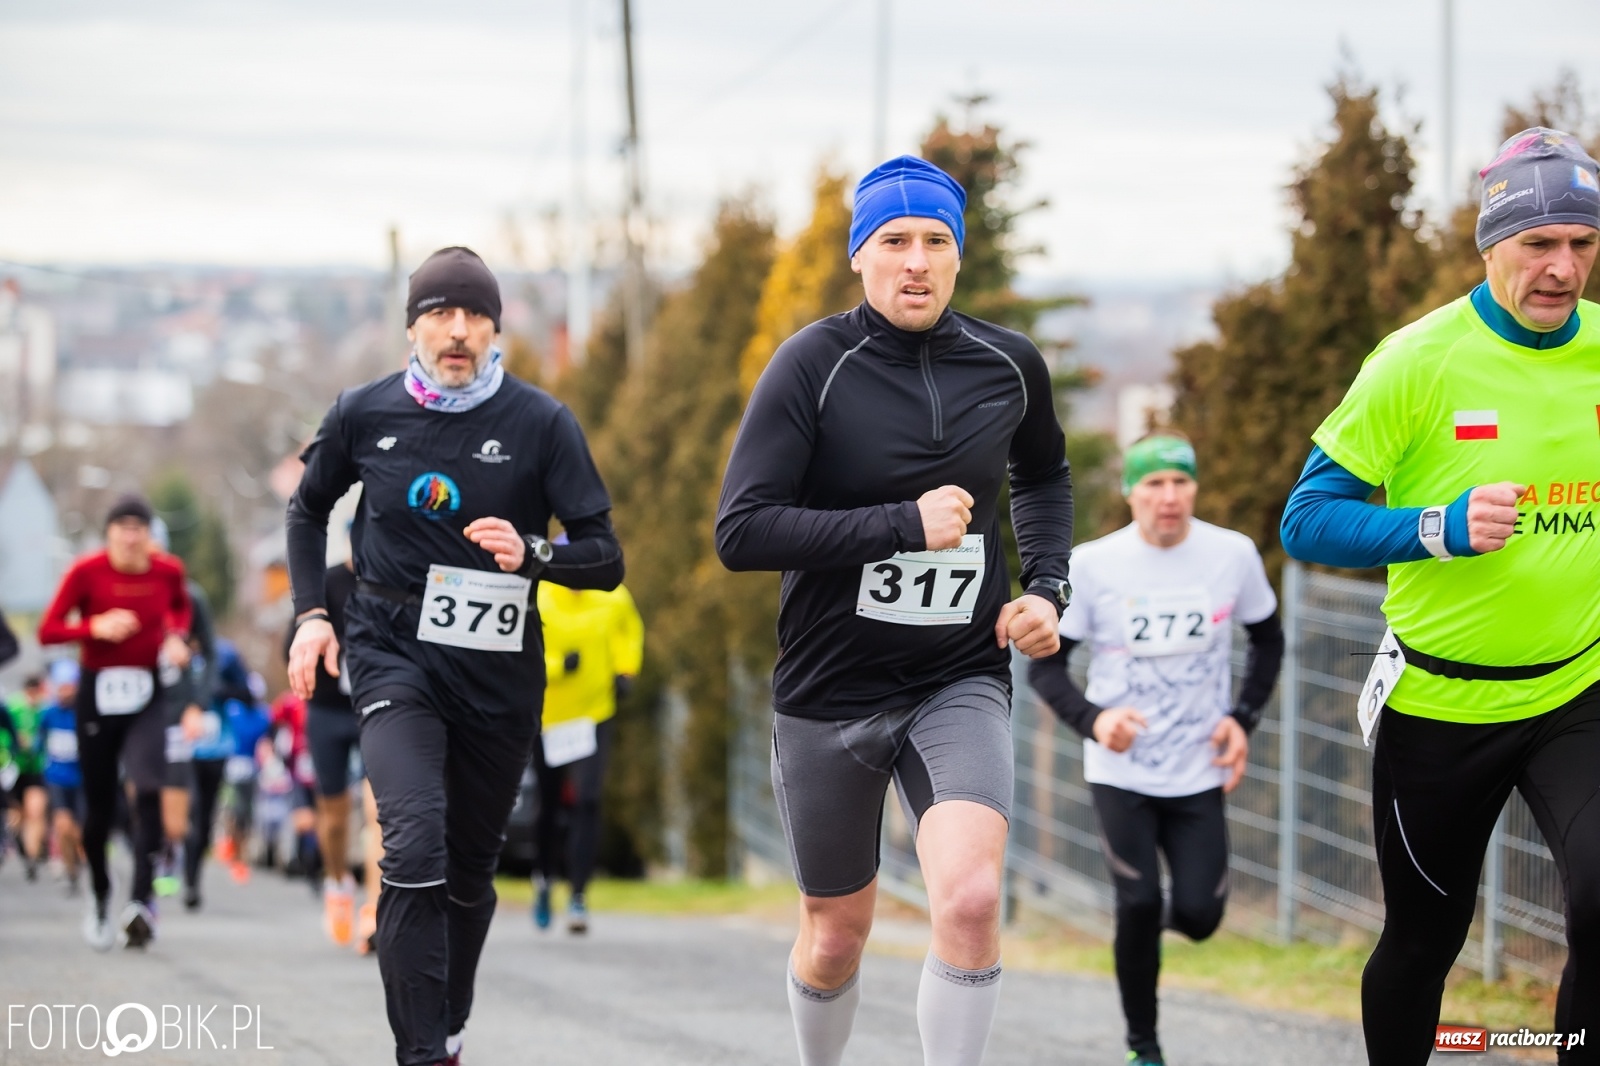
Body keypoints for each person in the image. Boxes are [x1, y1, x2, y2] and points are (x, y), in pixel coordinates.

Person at [716, 156, 1073, 1066]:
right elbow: (743, 531)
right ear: (860, 257)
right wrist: (899, 527)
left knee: (968, 901)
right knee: (836, 935)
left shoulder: (1007, 365)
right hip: (829, 691)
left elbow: (1041, 477)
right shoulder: (811, 367)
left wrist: (1045, 587)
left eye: (937, 242)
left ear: (959, 257)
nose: (916, 261)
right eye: (895, 242)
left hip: (956, 677)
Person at [1281, 128, 1600, 1066]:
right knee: (1425, 944)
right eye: (1540, 244)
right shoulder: (1415, 362)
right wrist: (1439, 527)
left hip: (1576, 690)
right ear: (1490, 244)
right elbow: (1306, 520)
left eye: (1582, 243)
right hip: (1440, 702)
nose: (1563, 268)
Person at [285, 245, 623, 1066]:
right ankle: (421, 1055)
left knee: (470, 871)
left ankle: (450, 1025)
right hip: (391, 652)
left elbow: (605, 557)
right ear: (413, 328)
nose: (458, 330)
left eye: (474, 314)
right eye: (439, 313)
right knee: (414, 843)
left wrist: (536, 555)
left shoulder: (541, 424)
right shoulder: (364, 412)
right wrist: (310, 616)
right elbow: (306, 510)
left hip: (499, 669)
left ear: (495, 328)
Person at [1028, 435, 1284, 1066]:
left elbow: (1269, 642)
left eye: (1180, 483)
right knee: (1138, 901)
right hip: (1122, 770)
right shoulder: (1092, 565)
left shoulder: (1232, 554)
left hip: (1199, 766)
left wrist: (1241, 720)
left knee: (1199, 916)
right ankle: (1144, 1047)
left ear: (1195, 488)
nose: (1168, 498)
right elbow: (1045, 670)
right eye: (1154, 484)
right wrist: (1096, 720)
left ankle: (1138, 933)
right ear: (1130, 492)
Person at [38, 493, 193, 951]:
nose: (130, 536)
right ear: (108, 533)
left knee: (148, 788)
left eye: (138, 527)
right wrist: (94, 628)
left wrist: (176, 637)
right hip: (97, 692)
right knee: (99, 804)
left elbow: (180, 609)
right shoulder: (85, 573)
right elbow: (49, 630)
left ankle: (141, 903)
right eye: (121, 526)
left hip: (147, 692)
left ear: (149, 535)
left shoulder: (168, 571)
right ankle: (102, 895)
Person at [531, 577, 643, 933]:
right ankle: (545, 879)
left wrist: (626, 669)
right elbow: (523, 651)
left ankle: (578, 894)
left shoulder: (612, 594)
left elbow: (630, 631)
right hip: (548, 717)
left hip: (593, 714)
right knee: (548, 805)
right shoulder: (541, 596)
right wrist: (558, 666)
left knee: (588, 801)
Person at [283, 557, 365, 944]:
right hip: (328, 709)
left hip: (377, 706)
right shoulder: (327, 580)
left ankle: (380, 907)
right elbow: (292, 643)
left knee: (382, 809)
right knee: (334, 815)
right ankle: (337, 883)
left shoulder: (395, 572)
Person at [183, 638, 251, 909]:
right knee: (187, 812)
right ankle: (173, 871)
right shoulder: (171, 649)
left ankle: (192, 882)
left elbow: (247, 693)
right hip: (181, 749)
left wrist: (219, 691)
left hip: (216, 748)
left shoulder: (225, 654)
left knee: (203, 818)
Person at [38, 659, 86, 895]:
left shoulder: (84, 713)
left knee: (79, 831)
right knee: (62, 825)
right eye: (61, 687)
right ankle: (70, 871)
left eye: (69, 686)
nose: (65, 692)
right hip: (57, 778)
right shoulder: (49, 714)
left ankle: (77, 861)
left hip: (82, 781)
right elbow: (40, 742)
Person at [5, 674, 49, 881]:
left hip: (36, 768)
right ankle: (18, 843)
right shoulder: (13, 708)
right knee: (17, 814)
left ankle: (32, 856)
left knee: (35, 811)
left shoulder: (45, 710)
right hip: (14, 768)